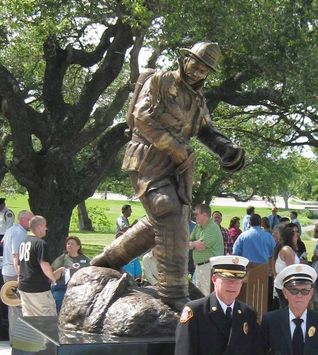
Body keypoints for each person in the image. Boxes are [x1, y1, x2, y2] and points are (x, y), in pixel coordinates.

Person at [91, 42, 244, 311]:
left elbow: (205, 130)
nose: (198, 72)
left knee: (159, 222)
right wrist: (176, 149)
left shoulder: (197, 99)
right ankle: (173, 291)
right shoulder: (161, 80)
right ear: (185, 59)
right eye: (196, 64)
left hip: (176, 167)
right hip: (147, 157)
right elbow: (141, 117)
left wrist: (226, 149)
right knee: (168, 210)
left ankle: (105, 261)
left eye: (204, 70)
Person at [175, 255, 264, 355]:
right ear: (214, 279)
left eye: (237, 280)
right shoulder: (196, 311)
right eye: (227, 279)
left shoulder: (248, 314)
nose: (232, 285)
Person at [261, 264, 318, 355]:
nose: (299, 295)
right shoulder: (270, 321)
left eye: (305, 290)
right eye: (294, 290)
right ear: (285, 293)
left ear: (311, 293)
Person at [18, 216, 64, 316]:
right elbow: (44, 264)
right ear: (39, 226)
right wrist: (54, 279)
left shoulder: (23, 242)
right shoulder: (40, 243)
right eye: (45, 226)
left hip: (24, 286)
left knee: (30, 319)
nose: (46, 228)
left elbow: (20, 265)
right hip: (38, 289)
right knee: (46, 319)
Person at [1, 210, 33, 344]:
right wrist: (20, 275)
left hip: (8, 271)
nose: (32, 222)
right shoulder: (19, 233)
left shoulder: (12, 229)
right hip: (14, 273)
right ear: (24, 220)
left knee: (14, 307)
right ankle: (18, 339)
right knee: (18, 306)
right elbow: (16, 256)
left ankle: (16, 338)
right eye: (31, 219)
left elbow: (2, 242)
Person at [189, 204, 224, 296]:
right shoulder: (198, 227)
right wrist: (194, 244)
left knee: (205, 296)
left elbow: (201, 247)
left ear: (204, 214)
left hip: (209, 268)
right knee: (197, 296)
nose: (194, 216)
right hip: (199, 268)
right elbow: (186, 243)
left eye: (196, 214)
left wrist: (192, 244)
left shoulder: (212, 227)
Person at [51, 236, 91, 312]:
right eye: (68, 244)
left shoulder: (85, 260)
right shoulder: (62, 259)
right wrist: (59, 271)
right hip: (63, 287)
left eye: (72, 244)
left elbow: (92, 273)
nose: (69, 245)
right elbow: (52, 277)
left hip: (80, 288)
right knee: (58, 299)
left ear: (78, 247)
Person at [273, 224, 301, 308]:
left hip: (283, 284)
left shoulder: (285, 248)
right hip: (286, 286)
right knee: (287, 311)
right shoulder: (287, 250)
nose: (297, 236)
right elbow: (292, 271)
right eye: (295, 235)